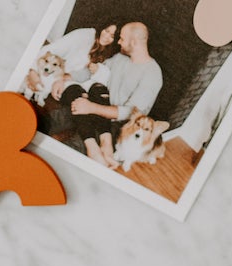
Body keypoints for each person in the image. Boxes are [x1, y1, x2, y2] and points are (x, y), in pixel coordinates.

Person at [70, 22, 164, 166]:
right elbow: (94, 71)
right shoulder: (120, 59)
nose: (118, 42)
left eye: (122, 38)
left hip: (118, 127)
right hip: (96, 107)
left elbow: (131, 113)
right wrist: (65, 77)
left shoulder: (152, 73)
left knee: (73, 147)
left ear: (133, 42)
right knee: (55, 118)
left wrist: (91, 108)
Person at [26, 24, 121, 135]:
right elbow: (52, 50)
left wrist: (66, 78)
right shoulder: (84, 36)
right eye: (106, 30)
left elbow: (89, 74)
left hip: (70, 80)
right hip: (51, 71)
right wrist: (33, 71)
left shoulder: (109, 53)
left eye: (112, 36)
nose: (106, 36)